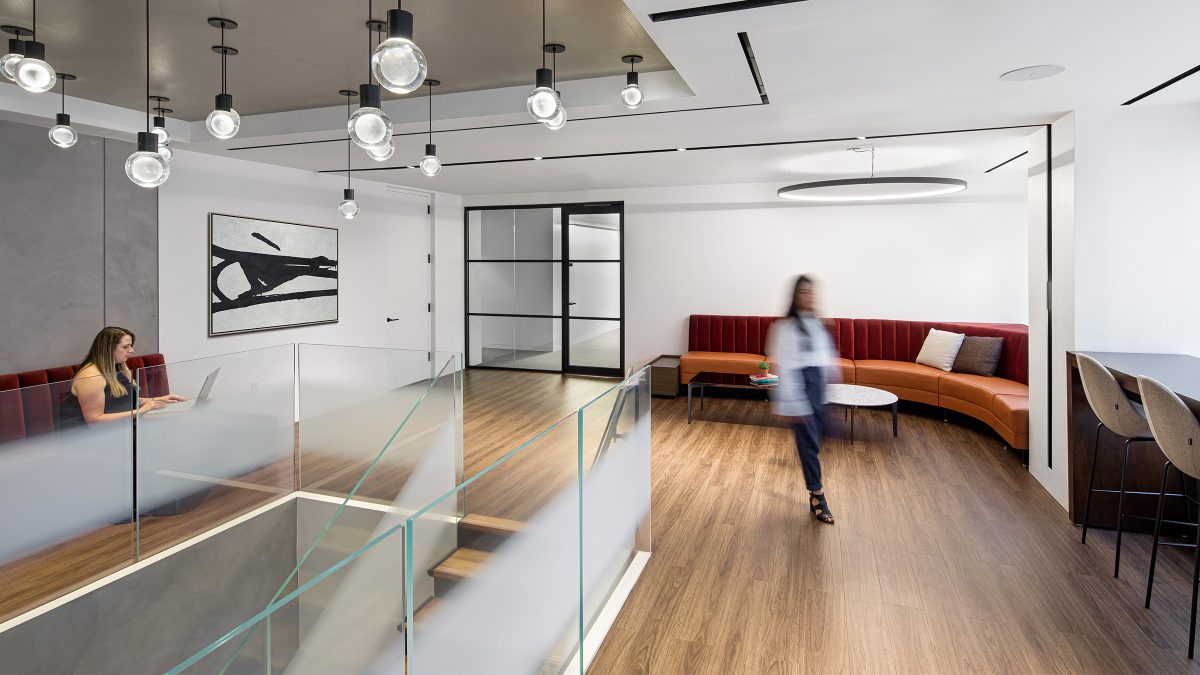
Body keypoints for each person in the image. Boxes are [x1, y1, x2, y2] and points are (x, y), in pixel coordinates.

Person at [767, 276, 840, 524]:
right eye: (803, 292)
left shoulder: (817, 323)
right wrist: (792, 402)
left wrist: (830, 388)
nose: (808, 296)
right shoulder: (786, 328)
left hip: (819, 387)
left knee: (817, 443)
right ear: (795, 296)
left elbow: (827, 357)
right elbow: (784, 366)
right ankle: (817, 495)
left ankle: (815, 490)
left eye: (811, 291)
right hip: (801, 387)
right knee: (808, 446)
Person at [59, 326, 185, 427]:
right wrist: (141, 411)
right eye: (125, 347)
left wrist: (158, 400)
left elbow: (121, 400)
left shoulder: (116, 366)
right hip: (85, 440)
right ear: (108, 349)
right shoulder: (91, 377)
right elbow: (95, 421)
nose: (131, 350)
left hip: (115, 431)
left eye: (130, 345)